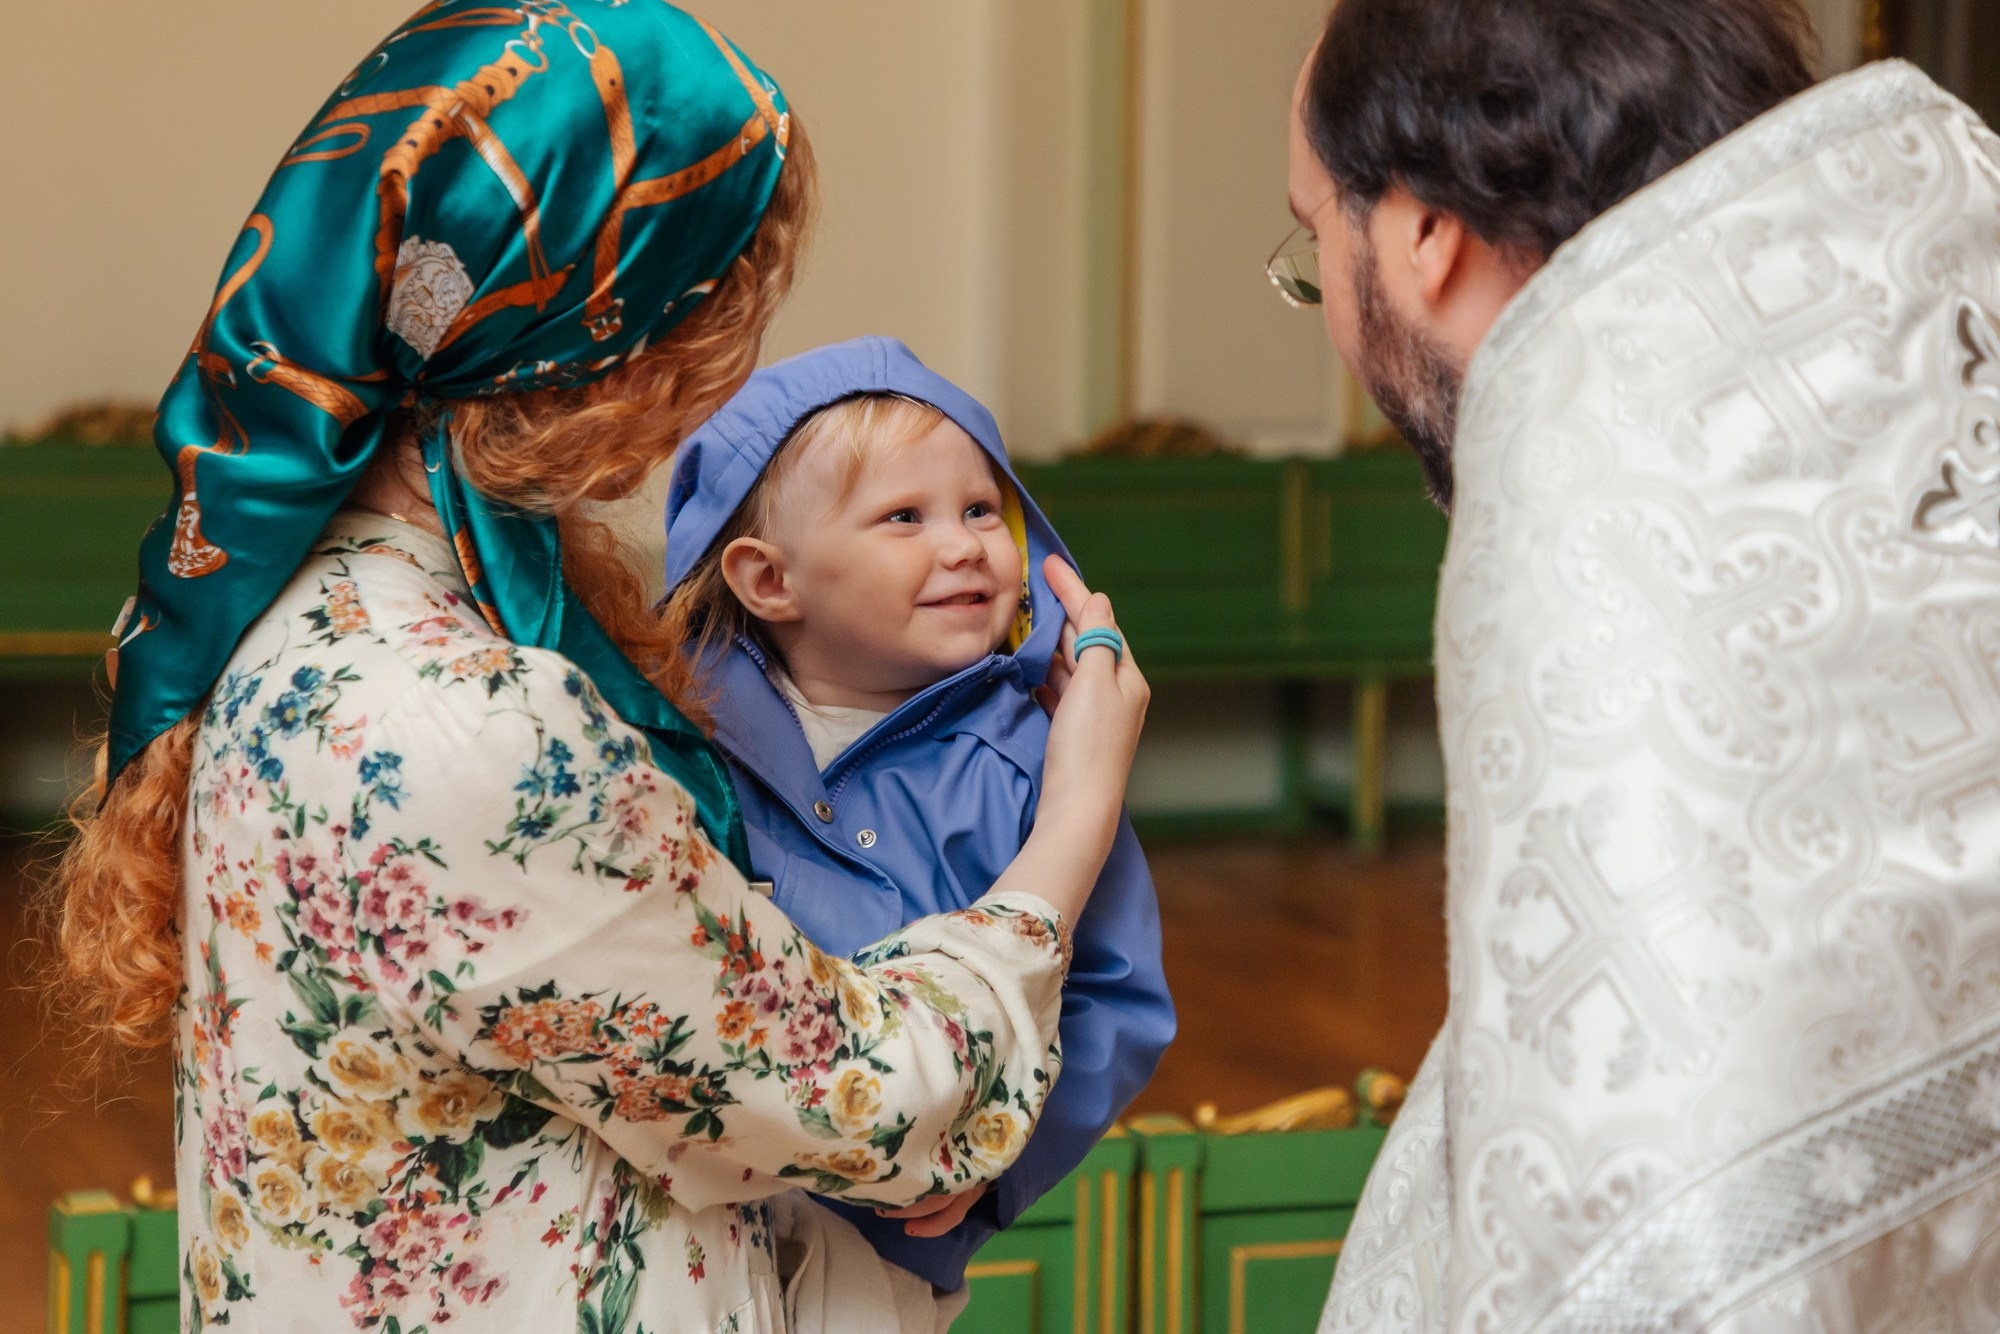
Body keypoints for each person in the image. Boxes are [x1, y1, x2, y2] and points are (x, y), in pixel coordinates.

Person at [41, 5, 1150, 1330]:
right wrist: (1076, 808)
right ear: (588, 328)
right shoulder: (466, 729)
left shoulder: (297, 605)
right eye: (702, 319)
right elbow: (863, 1097)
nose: (705, 384)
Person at [1277, 1, 2000, 1329]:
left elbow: (1664, 1214)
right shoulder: (1905, 393)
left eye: (1314, 236)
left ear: (1422, 235)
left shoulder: (1603, 513)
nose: (1325, 299)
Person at [659, 336, 1176, 1329]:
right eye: (905, 516)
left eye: (981, 507)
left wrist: (991, 1172)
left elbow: (1115, 988)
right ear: (769, 579)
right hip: (694, 1224)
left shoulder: (1033, 759)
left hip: (883, 1255)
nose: (964, 544)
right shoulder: (678, 739)